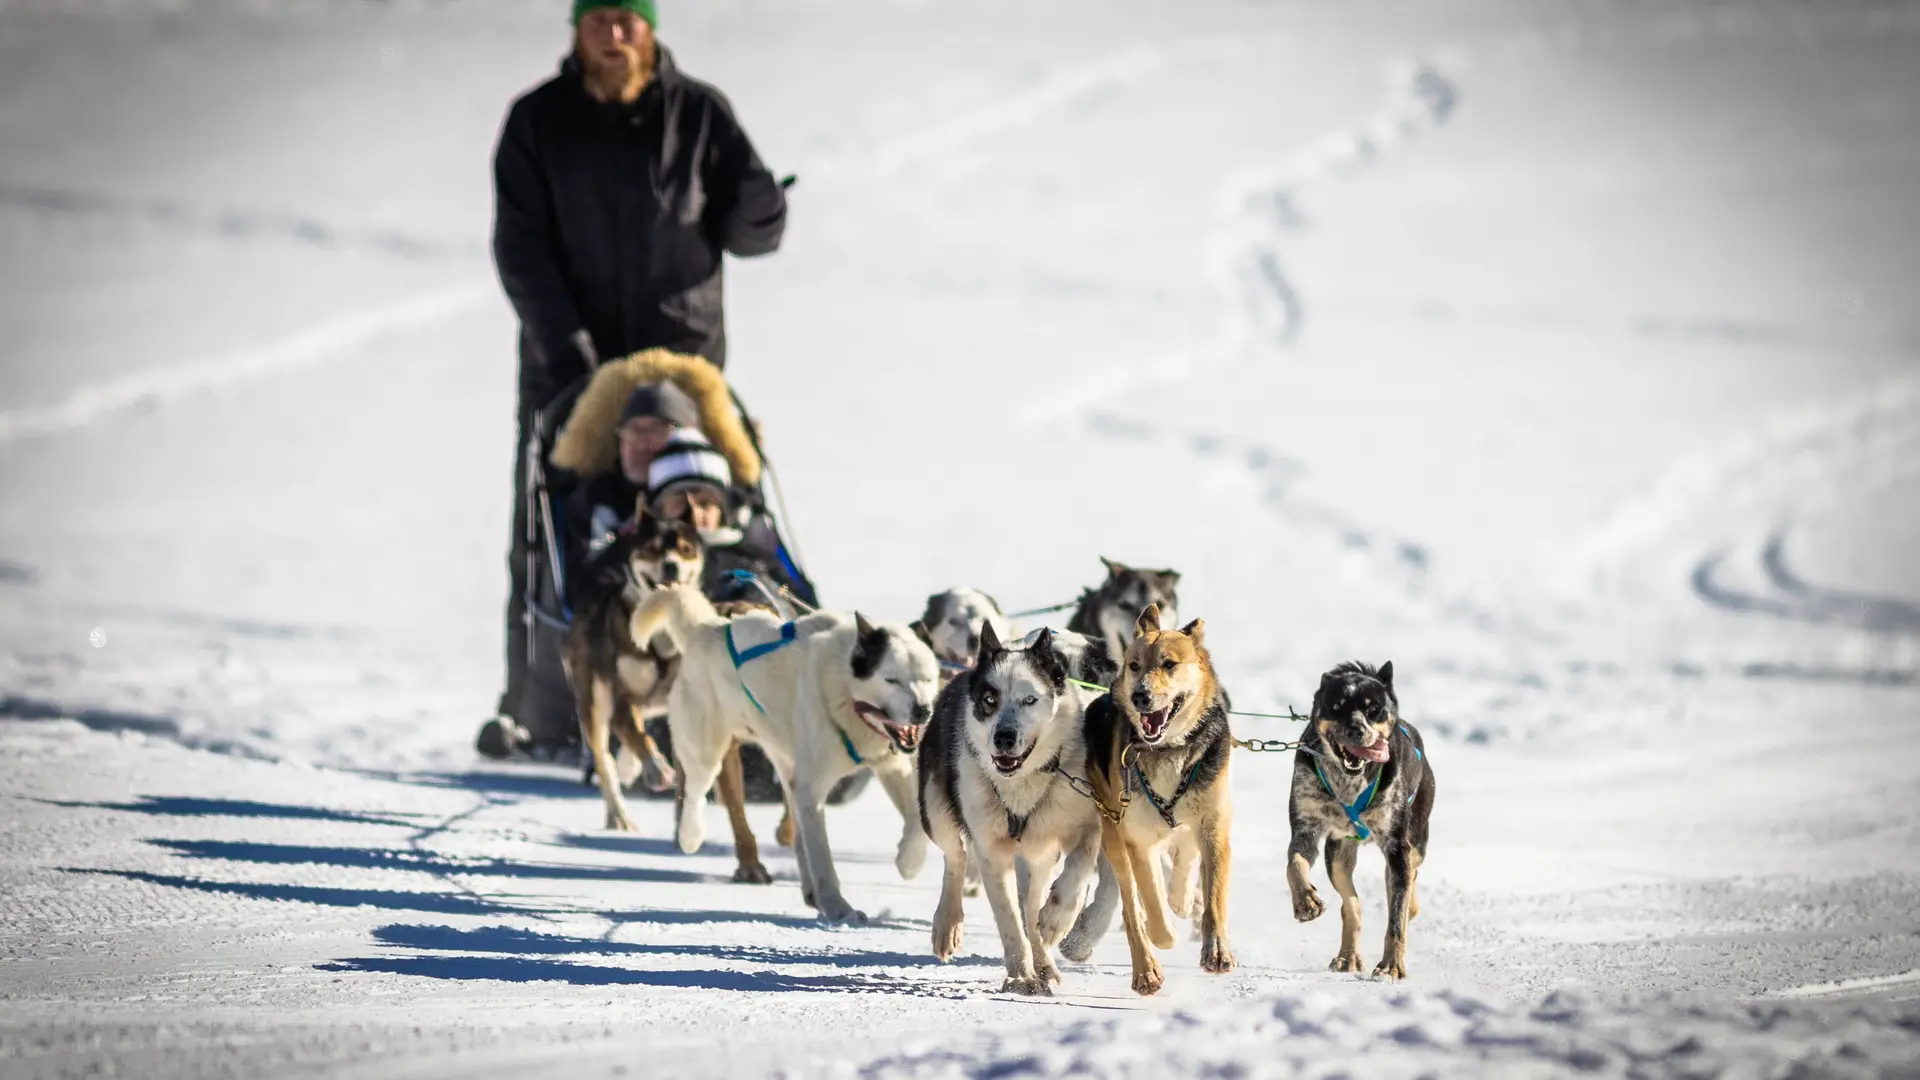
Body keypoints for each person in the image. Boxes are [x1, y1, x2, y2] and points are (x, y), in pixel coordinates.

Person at [487, 0, 787, 747]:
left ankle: (729, 708)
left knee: (704, 523)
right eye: (598, 20)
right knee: (559, 526)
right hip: (568, 371)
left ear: (649, 28)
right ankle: (542, 711)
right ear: (577, 28)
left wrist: (762, 207)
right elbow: (520, 250)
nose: (613, 35)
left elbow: (755, 234)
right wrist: (573, 358)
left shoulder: (701, 116)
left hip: (681, 370)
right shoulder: (537, 122)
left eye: (628, 19)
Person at [645, 431, 816, 610]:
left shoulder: (754, 564)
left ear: (723, 511)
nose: (694, 514)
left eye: (705, 503)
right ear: (659, 509)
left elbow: (793, 606)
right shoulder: (636, 561)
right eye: (680, 502)